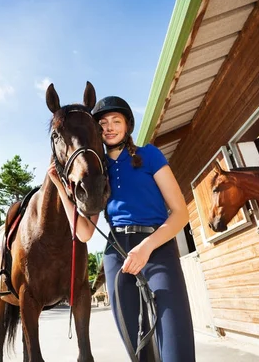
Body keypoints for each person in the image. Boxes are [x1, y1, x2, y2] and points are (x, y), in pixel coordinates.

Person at [47, 96, 195, 361]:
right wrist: (60, 187)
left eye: (117, 121)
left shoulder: (149, 154)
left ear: (128, 125)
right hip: (117, 254)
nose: (110, 127)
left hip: (156, 246)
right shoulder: (97, 170)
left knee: (175, 339)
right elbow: (84, 233)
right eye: (102, 123)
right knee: (135, 345)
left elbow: (181, 212)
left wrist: (145, 248)